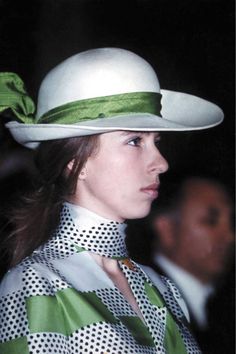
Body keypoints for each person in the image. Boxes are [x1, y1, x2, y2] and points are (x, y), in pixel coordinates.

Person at [0, 48, 223, 353]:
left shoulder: (161, 286)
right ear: (76, 161)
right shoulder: (35, 284)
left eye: (156, 142)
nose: (161, 162)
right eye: (134, 141)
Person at [136, 176, 234, 353]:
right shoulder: (143, 305)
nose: (229, 237)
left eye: (232, 222)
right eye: (210, 221)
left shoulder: (224, 307)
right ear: (167, 229)